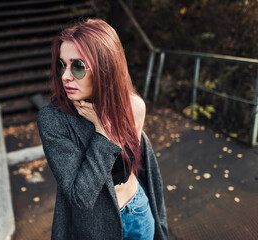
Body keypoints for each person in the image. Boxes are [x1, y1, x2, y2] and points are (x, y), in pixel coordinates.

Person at [37, 18, 168, 240]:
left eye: (77, 66)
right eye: (62, 65)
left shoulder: (133, 106)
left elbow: (127, 168)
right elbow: (81, 197)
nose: (65, 76)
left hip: (138, 212)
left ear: (105, 67)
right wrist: (104, 133)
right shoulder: (53, 120)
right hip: (95, 230)